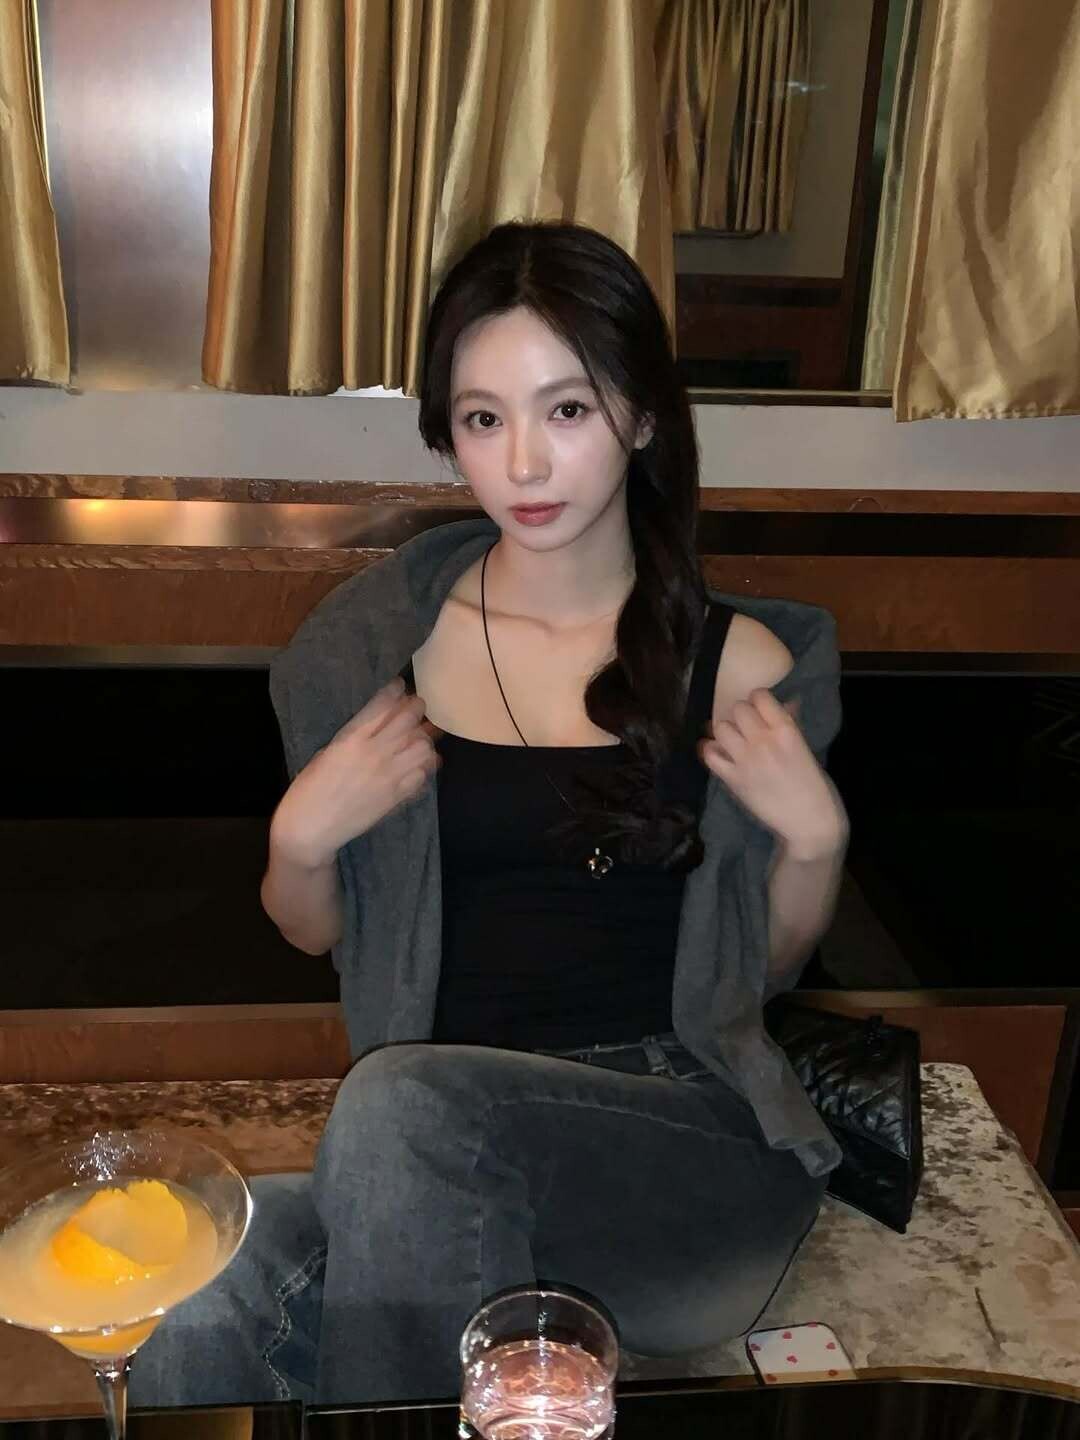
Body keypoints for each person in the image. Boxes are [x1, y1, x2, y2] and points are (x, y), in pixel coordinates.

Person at [133, 221, 848, 1409]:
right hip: (440, 1153)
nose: (523, 463)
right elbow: (314, 929)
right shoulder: (375, 650)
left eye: (566, 410)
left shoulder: (740, 668)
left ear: (642, 416)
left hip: (676, 1147)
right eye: (481, 418)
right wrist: (301, 835)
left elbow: (758, 975)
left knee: (403, 1110)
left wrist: (815, 841)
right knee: (207, 1288)